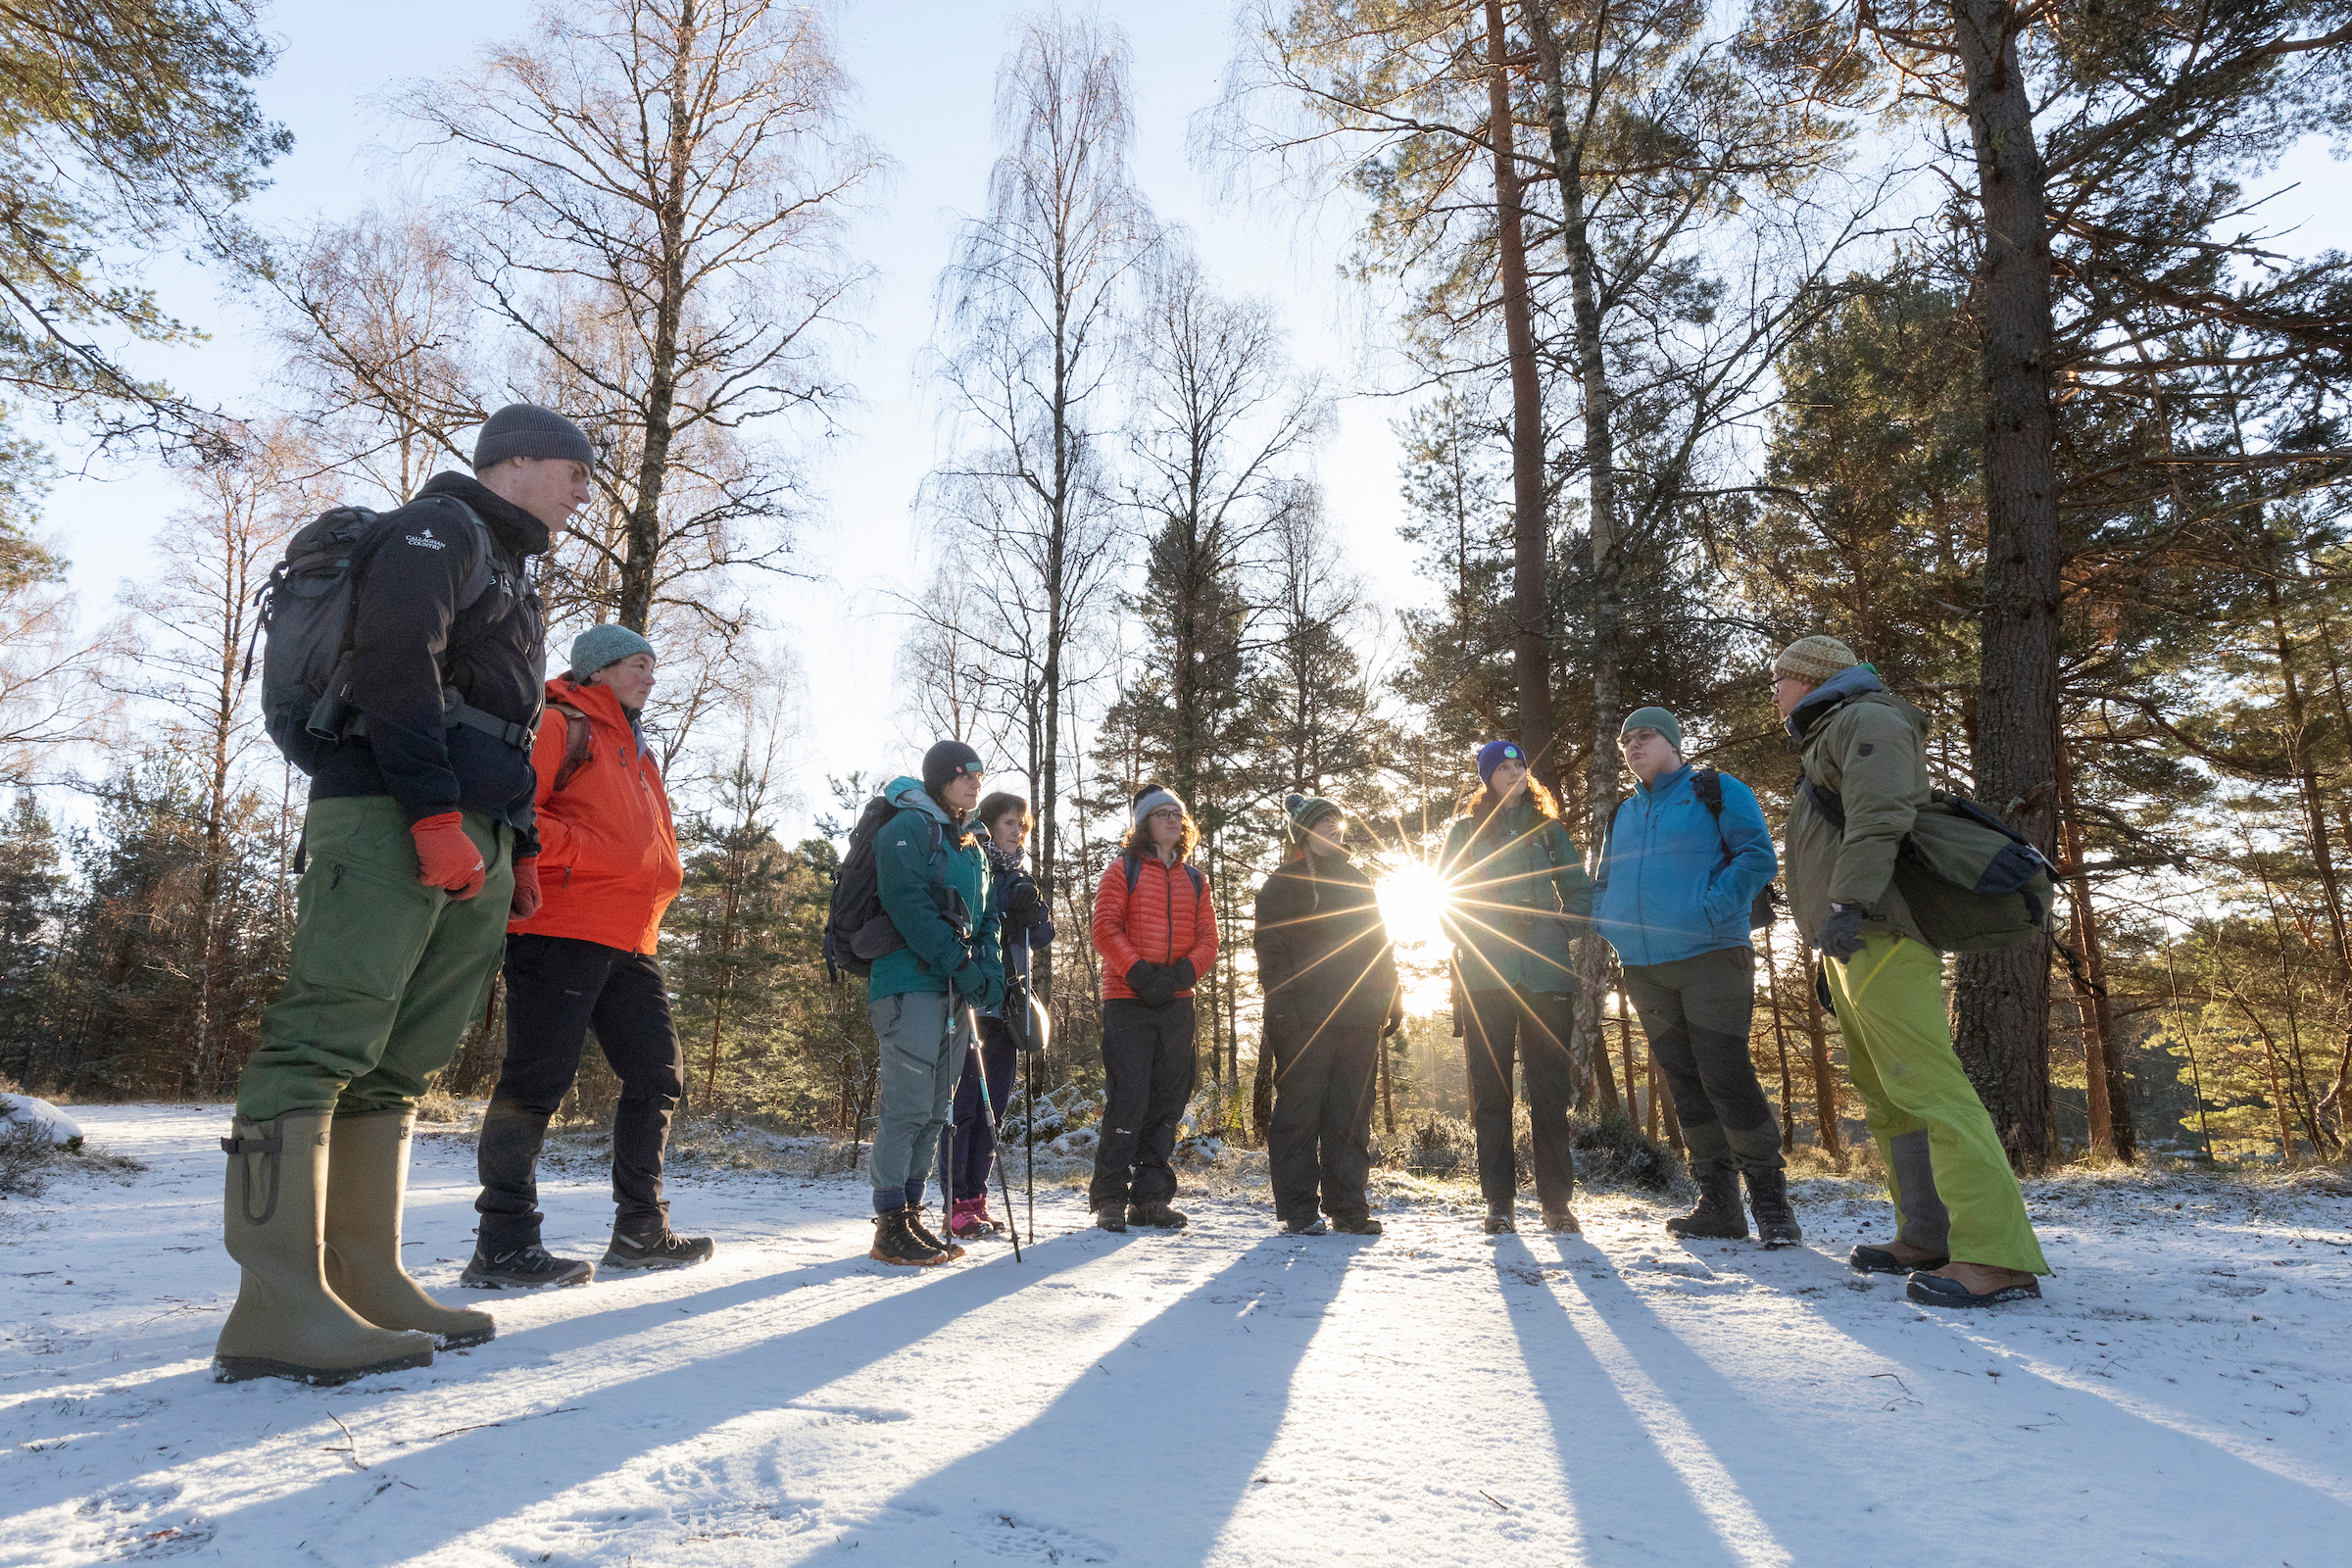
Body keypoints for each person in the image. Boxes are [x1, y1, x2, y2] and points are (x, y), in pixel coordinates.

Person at [215, 404, 590, 1385]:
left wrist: (521, 841)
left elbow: (509, 716)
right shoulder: (439, 528)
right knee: (322, 1040)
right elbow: (394, 659)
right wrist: (430, 813)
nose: (584, 492)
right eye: (574, 471)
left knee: (397, 1065)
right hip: (390, 811)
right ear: (516, 460)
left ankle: (364, 1278)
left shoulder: (512, 566)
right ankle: (274, 1305)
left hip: (477, 826)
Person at [1773, 635, 2052, 1307]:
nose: (1774, 693)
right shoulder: (1829, 737)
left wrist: (1848, 904)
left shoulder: (1868, 718)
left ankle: (1998, 1256)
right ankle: (1928, 1234)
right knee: (1890, 1097)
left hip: (1880, 931)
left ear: (1812, 678)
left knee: (1931, 1090)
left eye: (1780, 679)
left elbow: (1881, 816)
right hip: (1851, 942)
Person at [462, 626, 709, 1289]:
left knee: (657, 1075)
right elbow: (515, 812)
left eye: (654, 666)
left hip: (631, 938)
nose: (650, 677)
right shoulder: (561, 724)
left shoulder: (637, 750)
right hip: (561, 925)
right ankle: (502, 1242)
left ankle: (640, 1230)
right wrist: (592, 852)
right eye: (637, 664)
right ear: (597, 670)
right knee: (536, 1080)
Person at [1592, 707, 1794, 1244]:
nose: (1633, 746)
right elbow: (1604, 881)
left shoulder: (1716, 790)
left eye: (1645, 736)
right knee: (1684, 1083)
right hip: (1644, 969)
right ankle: (1719, 1206)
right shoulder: (1623, 813)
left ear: (1674, 742)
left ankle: (1772, 1205)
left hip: (1712, 956)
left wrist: (1711, 910)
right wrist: (1608, 922)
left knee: (1725, 1074)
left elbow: (1757, 857)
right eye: (1625, 741)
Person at [1438, 741, 1594, 1236]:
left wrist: (1560, 929)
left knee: (1549, 1091)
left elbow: (1579, 890)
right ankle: (1498, 1204)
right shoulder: (1464, 832)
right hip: (1485, 979)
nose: (1514, 773)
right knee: (1492, 1094)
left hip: (1547, 976)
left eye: (1520, 765)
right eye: (1503, 767)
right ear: (1487, 778)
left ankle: (1556, 1204)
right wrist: (1478, 937)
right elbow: (1445, 900)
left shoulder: (1547, 830)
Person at [863, 741, 1005, 1266]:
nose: (974, 782)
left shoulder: (971, 843)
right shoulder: (906, 828)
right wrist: (961, 966)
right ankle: (889, 1221)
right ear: (940, 779)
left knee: (935, 1109)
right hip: (909, 985)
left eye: (979, 774)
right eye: (964, 774)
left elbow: (987, 918)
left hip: (952, 990)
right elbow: (909, 907)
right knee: (906, 1105)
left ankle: (911, 1213)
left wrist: (990, 974)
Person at [1253, 794, 1403, 1236]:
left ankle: (1348, 1207)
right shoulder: (1281, 885)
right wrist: (1281, 1006)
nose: (1334, 833)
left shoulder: (1358, 880)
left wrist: (1392, 995)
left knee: (1351, 1114)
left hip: (1359, 1015)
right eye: (1324, 826)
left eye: (1338, 825)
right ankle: (1299, 1209)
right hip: (1304, 1018)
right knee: (1299, 1114)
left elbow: (1379, 943)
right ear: (1304, 833)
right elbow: (1271, 951)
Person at [1089, 785, 1218, 1233]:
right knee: (1129, 1098)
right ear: (1144, 823)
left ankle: (1150, 1198)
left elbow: (1209, 939)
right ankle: (1110, 1197)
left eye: (1177, 814)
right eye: (1162, 814)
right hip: (1128, 999)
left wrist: (1181, 975)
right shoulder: (1121, 870)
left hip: (1178, 1002)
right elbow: (1105, 929)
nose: (1172, 821)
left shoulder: (1195, 879)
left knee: (1167, 1101)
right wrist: (1141, 973)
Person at [945, 791, 1054, 1241]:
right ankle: (955, 1202)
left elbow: (1043, 935)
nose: (1018, 832)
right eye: (1010, 823)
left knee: (997, 1110)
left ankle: (977, 1198)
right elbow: (971, 923)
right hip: (974, 1003)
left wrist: (1033, 909)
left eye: (1022, 825)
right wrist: (1008, 913)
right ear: (988, 825)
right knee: (967, 1106)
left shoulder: (1021, 875)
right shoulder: (973, 864)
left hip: (1010, 1006)